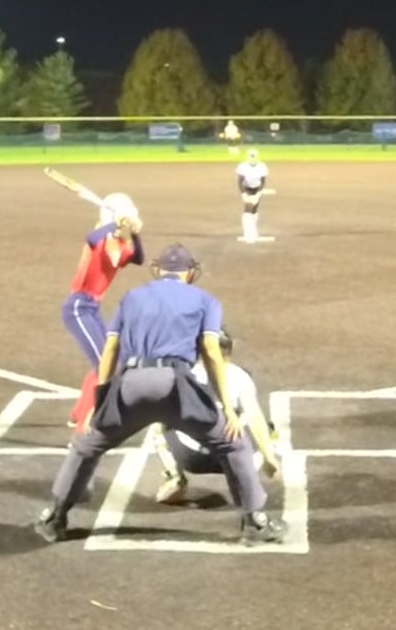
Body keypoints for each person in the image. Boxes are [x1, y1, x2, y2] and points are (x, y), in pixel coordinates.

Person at [33, 244, 285, 546]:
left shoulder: (132, 297)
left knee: (85, 446)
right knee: (233, 444)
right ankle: (255, 523)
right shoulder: (205, 300)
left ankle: (54, 518)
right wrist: (228, 410)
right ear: (189, 273)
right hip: (175, 387)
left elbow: (110, 350)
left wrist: (99, 401)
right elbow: (211, 351)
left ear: (159, 270)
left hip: (131, 385)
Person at [145, 327, 283, 505]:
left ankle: (175, 477)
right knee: (266, 427)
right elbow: (255, 419)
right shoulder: (240, 376)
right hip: (234, 457)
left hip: (191, 458)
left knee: (158, 423)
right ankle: (248, 483)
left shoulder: (184, 374)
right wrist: (269, 457)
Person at [62, 194, 144, 427]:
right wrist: (115, 223)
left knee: (108, 358)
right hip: (78, 307)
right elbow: (92, 237)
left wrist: (135, 234)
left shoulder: (118, 244)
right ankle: (83, 430)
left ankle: (78, 414)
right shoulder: (98, 239)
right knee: (105, 367)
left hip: (91, 309)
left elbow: (138, 258)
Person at [235, 149, 271, 243]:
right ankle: (249, 234)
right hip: (246, 189)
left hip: (257, 189)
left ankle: (253, 230)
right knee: (248, 210)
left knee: (254, 210)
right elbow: (240, 182)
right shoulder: (243, 166)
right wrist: (244, 194)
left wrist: (258, 194)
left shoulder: (262, 167)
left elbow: (263, 182)